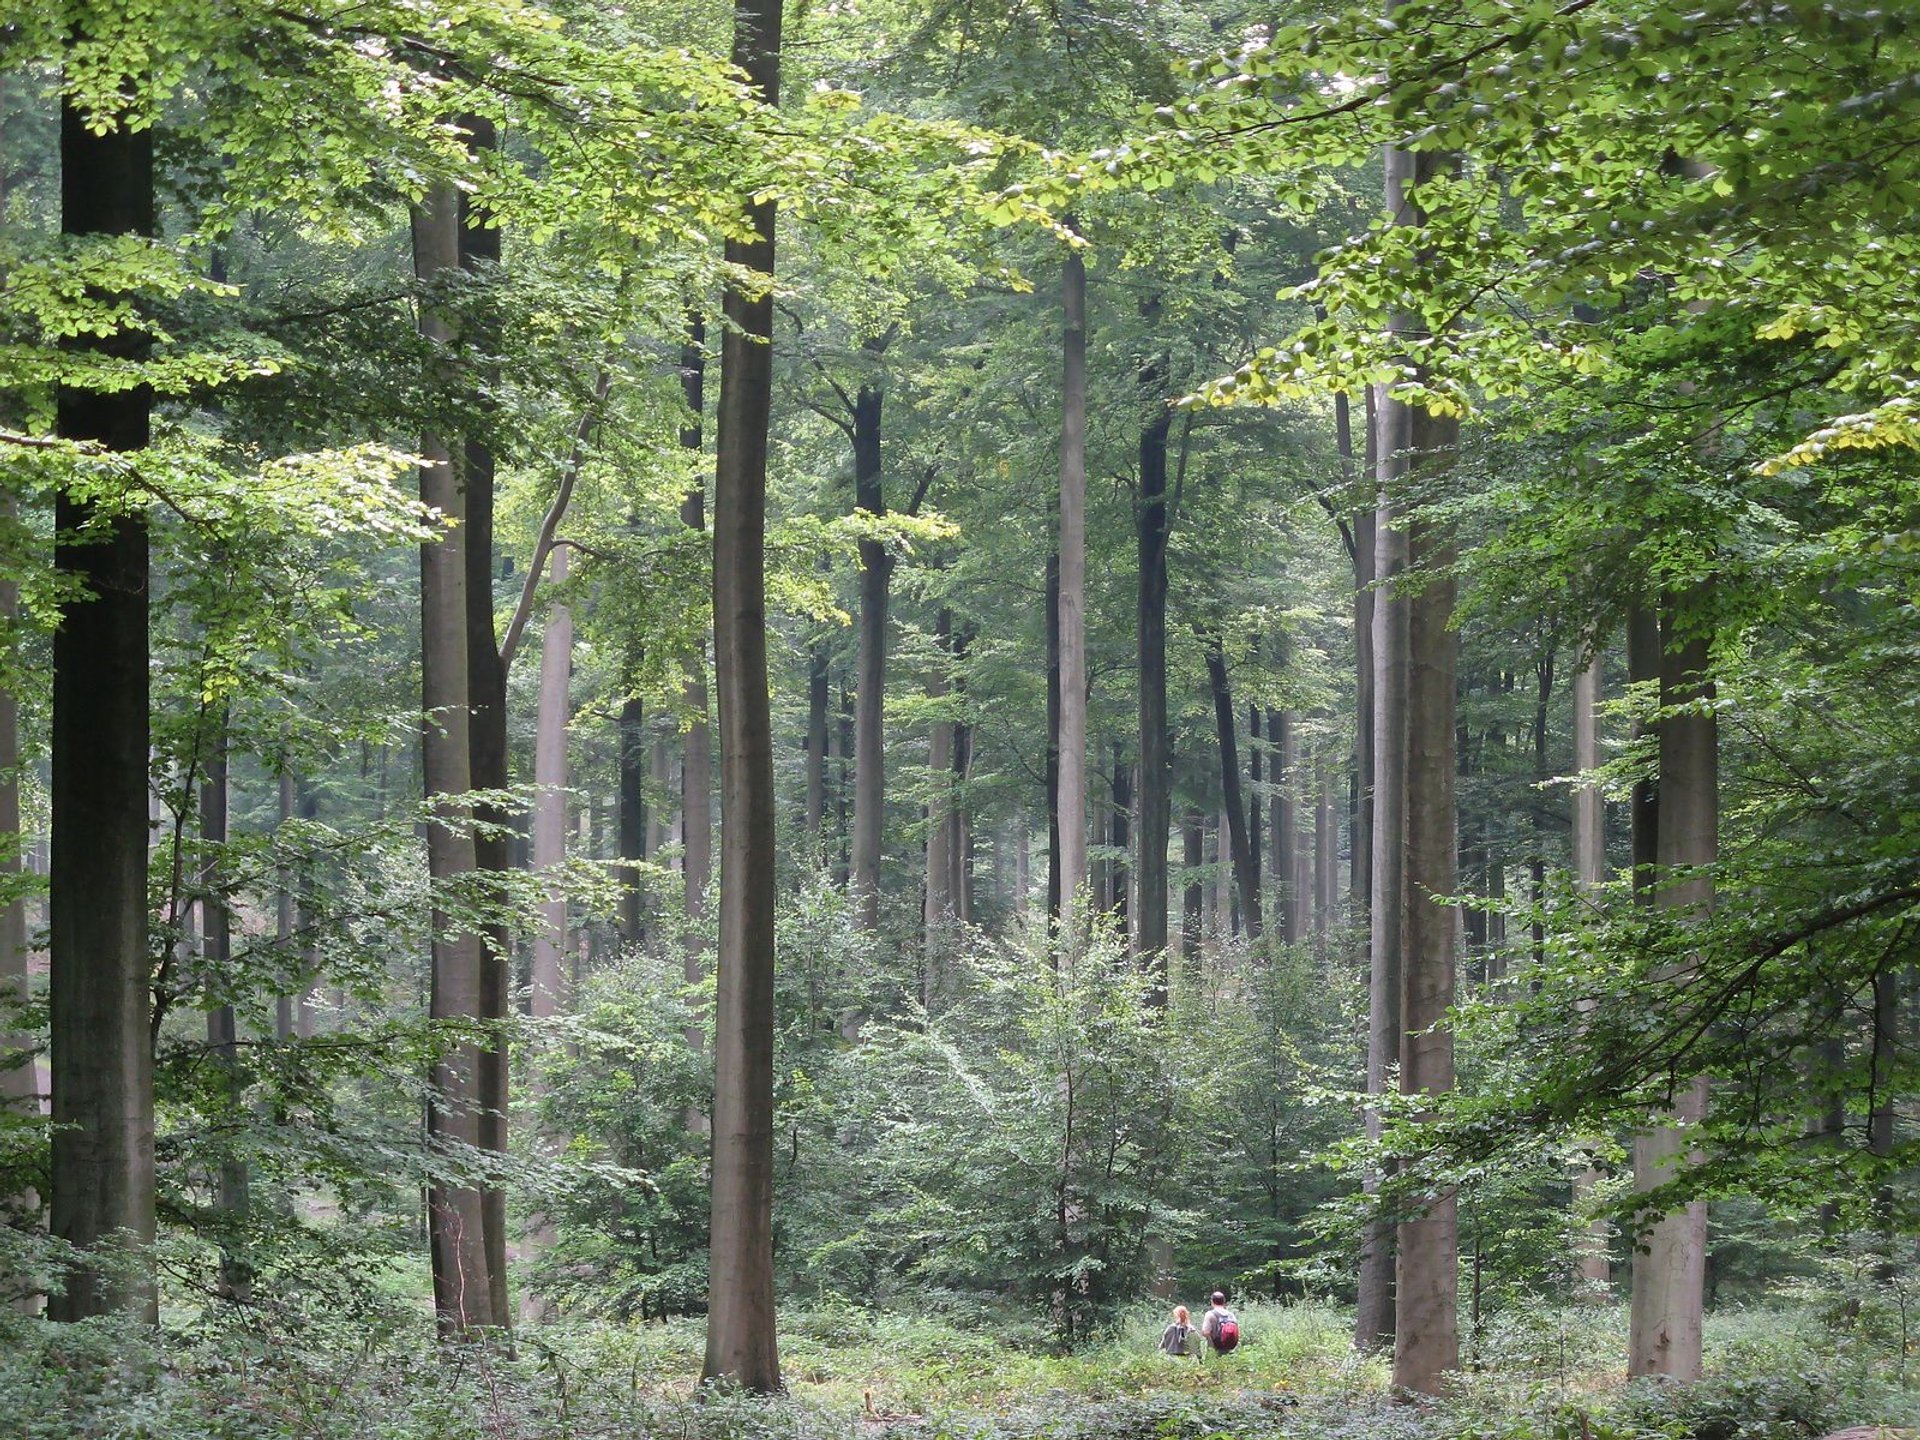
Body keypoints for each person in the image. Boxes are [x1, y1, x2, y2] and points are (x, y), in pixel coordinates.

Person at [1200, 1291, 1241, 1356]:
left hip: (1215, 1350)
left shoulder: (1210, 1314)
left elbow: (1205, 1332)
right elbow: (1237, 1332)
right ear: (1224, 1302)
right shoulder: (1231, 1315)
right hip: (1230, 1350)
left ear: (1212, 1301)